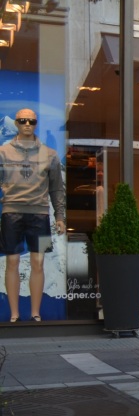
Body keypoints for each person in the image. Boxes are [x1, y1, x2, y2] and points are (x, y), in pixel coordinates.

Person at [0, 108, 66, 322]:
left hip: (41, 216)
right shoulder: (2, 152)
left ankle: (35, 312)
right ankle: (14, 313)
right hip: (11, 214)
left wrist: (60, 216)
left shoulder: (50, 154)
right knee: (12, 262)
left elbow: (57, 189)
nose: (27, 124)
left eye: (31, 121)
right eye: (22, 120)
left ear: (36, 123)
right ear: (16, 124)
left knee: (39, 263)